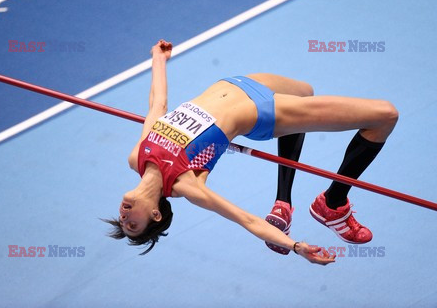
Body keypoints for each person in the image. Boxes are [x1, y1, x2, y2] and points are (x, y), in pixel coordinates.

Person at [104, 40, 398, 265]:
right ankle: (332, 204)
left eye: (122, 220)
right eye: (132, 225)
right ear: (155, 214)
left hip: (239, 82)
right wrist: (295, 246)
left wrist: (158, 59)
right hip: (262, 112)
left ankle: (286, 200)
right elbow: (247, 220)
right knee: (385, 115)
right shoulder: (186, 184)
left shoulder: (137, 158)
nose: (124, 216)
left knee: (306, 90)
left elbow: (158, 105)